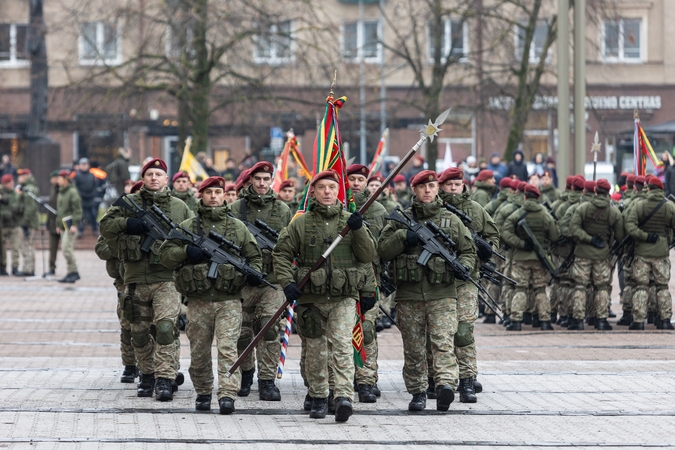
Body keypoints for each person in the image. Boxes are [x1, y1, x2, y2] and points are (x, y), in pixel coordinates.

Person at [273, 169, 376, 422]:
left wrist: (359, 229)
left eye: (332, 187)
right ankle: (319, 396)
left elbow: (367, 255)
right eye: (321, 188)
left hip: (343, 297)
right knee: (317, 350)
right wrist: (287, 283)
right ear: (313, 192)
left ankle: (342, 397)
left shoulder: (351, 221)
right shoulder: (300, 223)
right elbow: (281, 254)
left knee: (341, 344)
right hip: (311, 299)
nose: (327, 192)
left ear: (338, 190)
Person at [159, 176, 263, 414]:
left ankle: (227, 394)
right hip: (199, 301)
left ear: (225, 195)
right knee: (199, 351)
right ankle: (204, 392)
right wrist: (187, 250)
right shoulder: (187, 226)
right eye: (209, 193)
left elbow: (254, 256)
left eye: (218, 192)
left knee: (228, 348)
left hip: (229, 300)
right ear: (202, 196)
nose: (214, 197)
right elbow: (165, 256)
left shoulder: (237, 227)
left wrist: (255, 273)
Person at [378, 170, 476, 412]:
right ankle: (418, 392)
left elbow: (468, 251)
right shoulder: (399, 219)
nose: (428, 190)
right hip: (409, 296)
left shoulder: (451, 220)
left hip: (442, 294)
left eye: (432, 186)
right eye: (423, 187)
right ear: (415, 190)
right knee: (414, 348)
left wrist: (465, 267)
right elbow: (382, 250)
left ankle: (444, 386)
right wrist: (404, 237)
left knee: (443, 343)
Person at [100, 158, 192, 401]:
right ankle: (147, 375)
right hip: (135, 278)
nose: (154, 178)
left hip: (166, 279)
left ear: (165, 178)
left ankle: (164, 378)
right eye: (149, 174)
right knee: (139, 333)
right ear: (144, 178)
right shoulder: (129, 203)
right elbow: (106, 226)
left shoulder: (179, 206)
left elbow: (193, 234)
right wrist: (127, 223)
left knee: (165, 328)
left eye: (158, 174)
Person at [229, 161, 291, 401]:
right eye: (258, 179)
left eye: (267, 179)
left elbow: (287, 247)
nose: (262, 183)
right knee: (242, 332)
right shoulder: (236, 209)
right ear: (250, 181)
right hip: (243, 279)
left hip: (272, 280)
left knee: (269, 329)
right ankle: (246, 374)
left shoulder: (283, 210)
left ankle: (267, 381)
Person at [437, 167, 498, 403]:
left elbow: (493, 237)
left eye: (457, 184)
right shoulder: (435, 208)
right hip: (438, 281)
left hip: (466, 279)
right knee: (440, 332)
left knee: (463, 331)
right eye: (449, 184)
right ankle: (440, 378)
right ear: (441, 186)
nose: (454, 188)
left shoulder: (476, 210)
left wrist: (487, 250)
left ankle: (467, 379)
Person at [347, 164, 386, 404]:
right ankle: (343, 378)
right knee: (342, 333)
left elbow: (382, 246)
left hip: (370, 279)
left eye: (360, 179)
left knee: (367, 332)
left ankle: (366, 381)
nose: (356, 183)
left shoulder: (378, 210)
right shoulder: (339, 207)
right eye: (351, 178)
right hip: (342, 280)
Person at [568, 179, 623, 331]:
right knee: (602, 287)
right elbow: (619, 236)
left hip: (582, 253)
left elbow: (573, 229)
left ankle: (578, 320)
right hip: (602, 254)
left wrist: (588, 239)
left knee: (580, 286)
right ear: (608, 193)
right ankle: (601, 320)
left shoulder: (583, 208)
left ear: (595, 191)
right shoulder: (614, 212)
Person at [502, 184, 559, 331]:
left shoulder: (517, 213)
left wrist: (520, 244)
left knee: (520, 288)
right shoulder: (545, 215)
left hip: (520, 258)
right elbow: (554, 235)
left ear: (525, 197)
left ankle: (516, 321)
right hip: (540, 258)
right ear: (538, 198)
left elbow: (506, 232)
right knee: (540, 289)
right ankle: (545, 321)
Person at [624, 175, 675, 330]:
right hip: (661, 252)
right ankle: (665, 320)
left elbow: (630, 225)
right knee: (662, 287)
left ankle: (639, 321)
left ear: (649, 188)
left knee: (641, 286)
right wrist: (667, 239)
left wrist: (644, 236)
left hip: (642, 252)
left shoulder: (639, 205)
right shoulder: (670, 206)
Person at [94, 234, 138, 384]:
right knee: (126, 323)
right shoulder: (115, 219)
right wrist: (123, 248)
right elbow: (100, 248)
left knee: (155, 325)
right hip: (124, 280)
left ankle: (162, 367)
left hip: (150, 278)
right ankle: (130, 365)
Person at [55, 170, 83, 283]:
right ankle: (70, 272)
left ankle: (74, 272)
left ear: (66, 179)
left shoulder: (72, 192)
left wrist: (75, 224)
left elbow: (77, 210)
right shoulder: (61, 192)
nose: (57, 181)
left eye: (59, 178)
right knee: (65, 249)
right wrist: (58, 225)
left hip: (70, 226)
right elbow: (60, 211)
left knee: (67, 249)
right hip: (63, 225)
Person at [17, 169, 40, 276]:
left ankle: (28, 269)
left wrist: (25, 222)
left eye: (21, 176)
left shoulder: (28, 189)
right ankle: (30, 268)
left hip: (28, 223)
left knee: (26, 245)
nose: (18, 178)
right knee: (28, 245)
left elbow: (29, 208)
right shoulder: (29, 187)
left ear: (26, 176)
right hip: (30, 222)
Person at [0, 174, 22, 276]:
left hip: (14, 224)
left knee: (15, 247)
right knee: (2, 248)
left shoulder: (15, 194)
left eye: (12, 182)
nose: (12, 184)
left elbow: (16, 206)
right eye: (9, 182)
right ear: (4, 183)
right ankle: (2, 267)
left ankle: (15, 267)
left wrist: (3, 199)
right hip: (3, 225)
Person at [73, 158, 99, 235]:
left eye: (86, 164)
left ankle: (95, 229)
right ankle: (80, 230)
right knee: (81, 216)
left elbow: (95, 186)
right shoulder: (77, 175)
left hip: (90, 199)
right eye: (83, 164)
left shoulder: (91, 175)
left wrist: (92, 194)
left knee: (93, 215)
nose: (84, 166)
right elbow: (75, 187)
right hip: (81, 199)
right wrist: (81, 195)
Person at [45, 170, 60, 277]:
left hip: (62, 222)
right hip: (52, 222)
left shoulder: (64, 190)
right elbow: (50, 207)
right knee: (52, 248)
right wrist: (48, 221)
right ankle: (51, 267)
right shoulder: (53, 189)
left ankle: (71, 270)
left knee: (67, 248)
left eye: (53, 178)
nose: (51, 181)